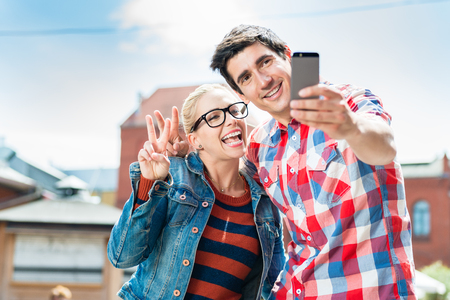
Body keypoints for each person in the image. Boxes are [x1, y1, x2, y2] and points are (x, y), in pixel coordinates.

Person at [206, 25, 416, 299]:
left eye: (266, 62)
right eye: (246, 78)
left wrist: (351, 128)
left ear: (288, 56)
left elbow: (384, 145)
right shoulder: (258, 144)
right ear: (242, 95)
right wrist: (190, 154)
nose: (263, 81)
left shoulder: (348, 102)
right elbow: (224, 192)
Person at [107, 83, 285, 300]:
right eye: (214, 117)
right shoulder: (173, 179)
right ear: (195, 140)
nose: (231, 120)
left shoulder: (265, 202)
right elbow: (122, 256)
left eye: (235, 111)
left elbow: (276, 286)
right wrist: (150, 182)